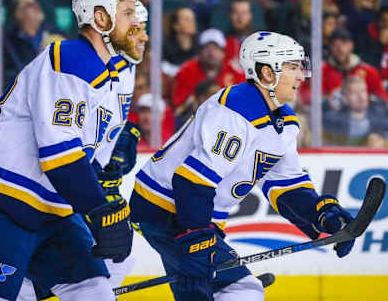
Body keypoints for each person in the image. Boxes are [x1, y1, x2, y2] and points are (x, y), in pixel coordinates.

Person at [129, 31, 356, 301]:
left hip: (194, 214)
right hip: (164, 207)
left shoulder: (284, 120)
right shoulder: (236, 109)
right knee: (242, 290)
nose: (300, 77)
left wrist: (322, 216)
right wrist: (196, 239)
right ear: (267, 73)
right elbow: (191, 182)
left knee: (201, 293)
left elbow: (287, 186)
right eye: (292, 68)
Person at [0, 0, 139, 300]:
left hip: (54, 210)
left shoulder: (112, 79)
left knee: (96, 292)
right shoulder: (71, 58)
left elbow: (87, 163)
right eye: (128, 12)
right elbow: (60, 158)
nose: (139, 23)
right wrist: (100, 209)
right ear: (100, 19)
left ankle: (29, 284)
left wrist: (108, 173)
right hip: (4, 201)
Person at [16, 0, 150, 301]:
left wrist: (117, 146)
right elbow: (61, 137)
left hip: (81, 179)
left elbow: (107, 130)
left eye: (142, 27)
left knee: (121, 254)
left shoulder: (126, 70)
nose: (142, 35)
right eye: (134, 27)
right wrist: (93, 184)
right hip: (55, 183)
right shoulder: (87, 63)